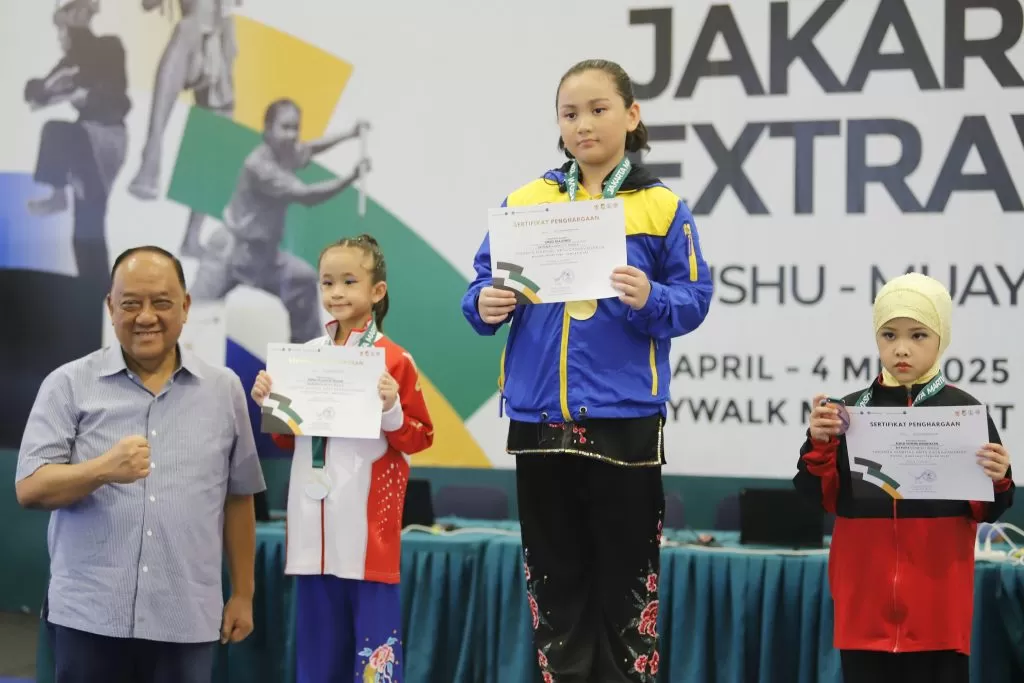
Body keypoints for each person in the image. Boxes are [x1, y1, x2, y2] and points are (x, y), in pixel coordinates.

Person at [461, 59, 714, 683]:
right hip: (538, 419)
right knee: (554, 584)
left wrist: (650, 297)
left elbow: (694, 298)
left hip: (623, 419)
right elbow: (481, 286)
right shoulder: (526, 203)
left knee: (627, 585)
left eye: (599, 109)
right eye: (570, 113)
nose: (583, 124)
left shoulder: (661, 207)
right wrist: (484, 304)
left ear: (632, 115)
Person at [15, 246, 267, 683]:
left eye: (161, 302)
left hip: (186, 617)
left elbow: (238, 497)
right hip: (90, 616)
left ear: (185, 307)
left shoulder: (224, 390)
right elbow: (30, 488)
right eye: (130, 303)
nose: (146, 316)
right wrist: (103, 469)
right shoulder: (68, 384)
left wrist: (243, 594)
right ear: (111, 307)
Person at [794, 272, 1014, 683]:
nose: (901, 348)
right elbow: (820, 498)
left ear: (942, 337)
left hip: (938, 613)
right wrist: (820, 443)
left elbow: (988, 510)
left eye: (918, 335)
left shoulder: (965, 413)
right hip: (864, 612)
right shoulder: (849, 414)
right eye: (889, 335)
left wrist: (999, 478)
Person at [250, 234, 434, 683]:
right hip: (312, 531)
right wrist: (271, 404)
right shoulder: (303, 358)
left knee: (375, 659)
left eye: (349, 281)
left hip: (367, 532)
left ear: (377, 291)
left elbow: (420, 437)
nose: (336, 292)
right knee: (318, 656)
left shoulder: (395, 360)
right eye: (327, 282)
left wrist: (391, 407)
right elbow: (288, 442)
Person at [189, 98, 369, 343]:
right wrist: (351, 178)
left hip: (264, 256)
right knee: (193, 316)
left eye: (296, 128)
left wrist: (350, 134)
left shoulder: (286, 152)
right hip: (230, 252)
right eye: (285, 127)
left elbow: (310, 148)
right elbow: (306, 195)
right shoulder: (259, 166)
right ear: (268, 130)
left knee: (303, 280)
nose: (292, 135)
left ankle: (306, 356)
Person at [24, 0, 130, 319]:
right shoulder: (70, 62)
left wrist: (81, 90)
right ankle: (99, 300)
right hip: (84, 144)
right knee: (86, 226)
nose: (61, 35)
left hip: (104, 139)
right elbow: (34, 94)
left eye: (65, 28)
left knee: (57, 131)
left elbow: (117, 96)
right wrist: (51, 85)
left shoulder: (107, 47)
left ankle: (102, 302)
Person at [130, 0, 241, 257]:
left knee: (218, 136)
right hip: (190, 40)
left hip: (219, 41)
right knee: (187, 29)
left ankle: (191, 239)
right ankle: (151, 156)